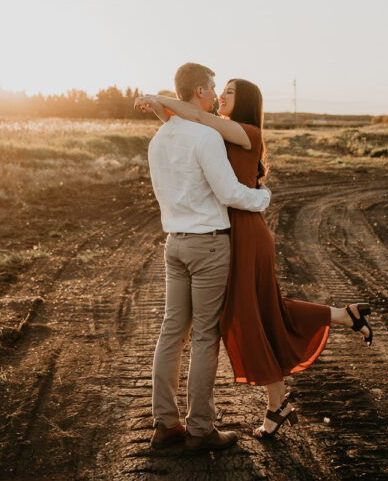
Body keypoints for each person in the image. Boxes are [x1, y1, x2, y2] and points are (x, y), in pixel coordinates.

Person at [136, 76, 374, 440]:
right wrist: (161, 109)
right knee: (261, 312)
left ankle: (276, 402)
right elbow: (187, 129)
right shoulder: (216, 132)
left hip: (245, 231)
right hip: (230, 230)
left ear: (243, 101)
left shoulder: (243, 131)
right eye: (218, 90)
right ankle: (335, 324)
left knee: (254, 314)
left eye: (228, 92)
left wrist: (160, 99)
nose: (219, 97)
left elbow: (193, 120)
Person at [141, 62, 271, 453]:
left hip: (174, 243)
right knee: (203, 337)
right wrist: (262, 198)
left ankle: (165, 424)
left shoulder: (159, 139)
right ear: (199, 91)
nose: (216, 95)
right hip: (209, 245)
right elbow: (230, 193)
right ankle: (200, 429)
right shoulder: (205, 137)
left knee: (170, 333)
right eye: (213, 87)